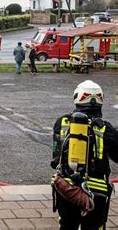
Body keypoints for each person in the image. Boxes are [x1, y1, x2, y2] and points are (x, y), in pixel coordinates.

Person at [51, 80, 118, 230]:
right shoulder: (106, 128)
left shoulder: (61, 122)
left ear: (77, 97)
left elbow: (56, 158)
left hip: (66, 187)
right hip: (96, 193)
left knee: (67, 225)